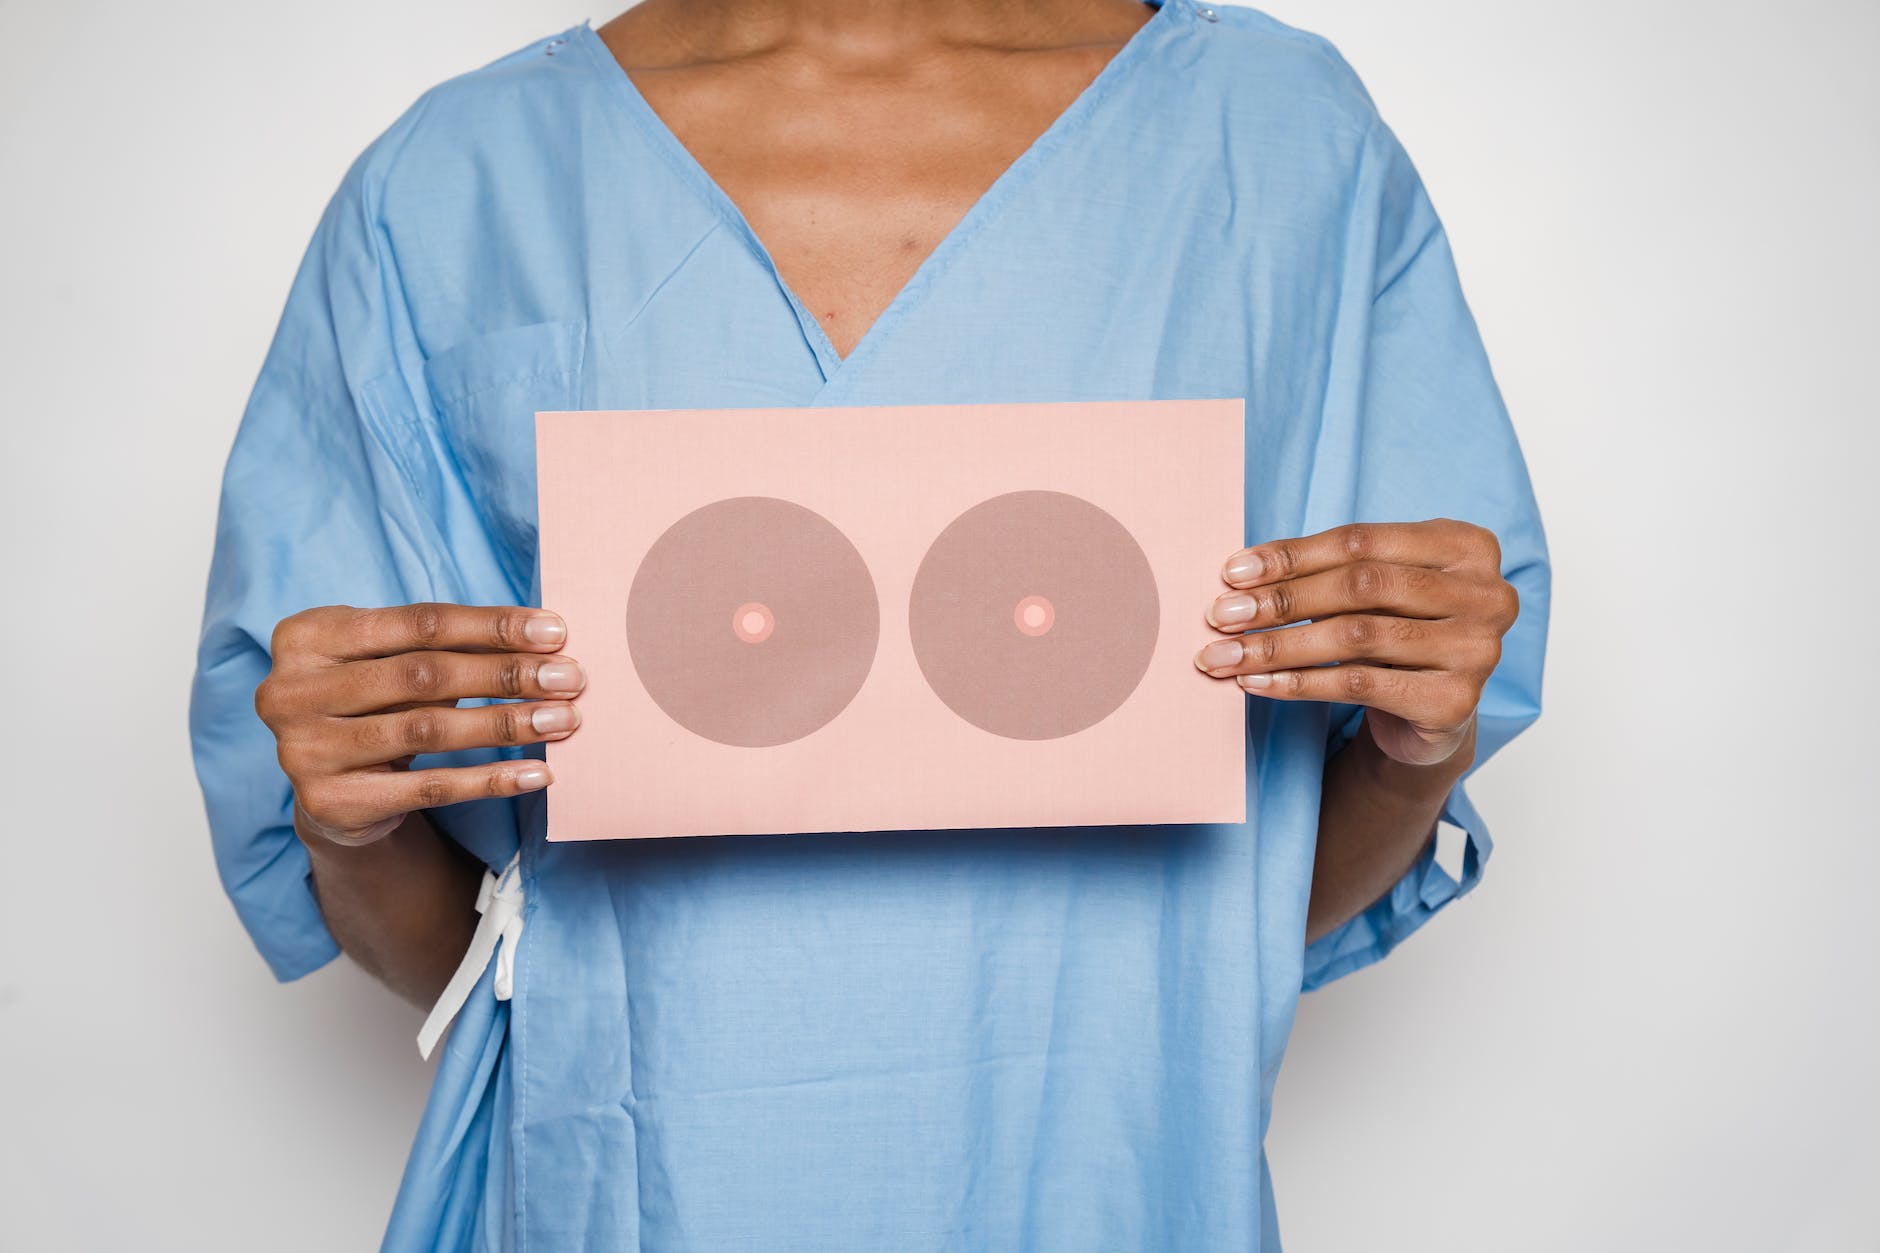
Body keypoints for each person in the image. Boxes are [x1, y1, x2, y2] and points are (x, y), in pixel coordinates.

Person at [188, 0, 1550, 1245]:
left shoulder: (1282, 140)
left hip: (1114, 1196)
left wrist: (1412, 751)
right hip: (616, 1206)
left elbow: (1240, 921)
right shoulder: (459, 184)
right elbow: (497, 966)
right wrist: (349, 827)